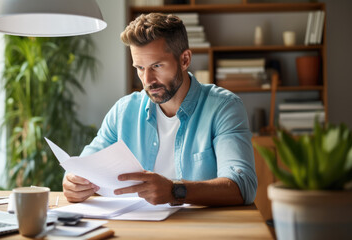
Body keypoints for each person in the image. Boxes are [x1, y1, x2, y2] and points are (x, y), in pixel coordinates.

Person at [62, 13, 257, 206]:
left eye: (156, 66)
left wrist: (175, 191)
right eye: (139, 68)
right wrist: (73, 182)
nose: (147, 80)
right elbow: (84, 166)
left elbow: (242, 186)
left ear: (185, 59)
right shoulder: (123, 111)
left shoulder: (224, 108)